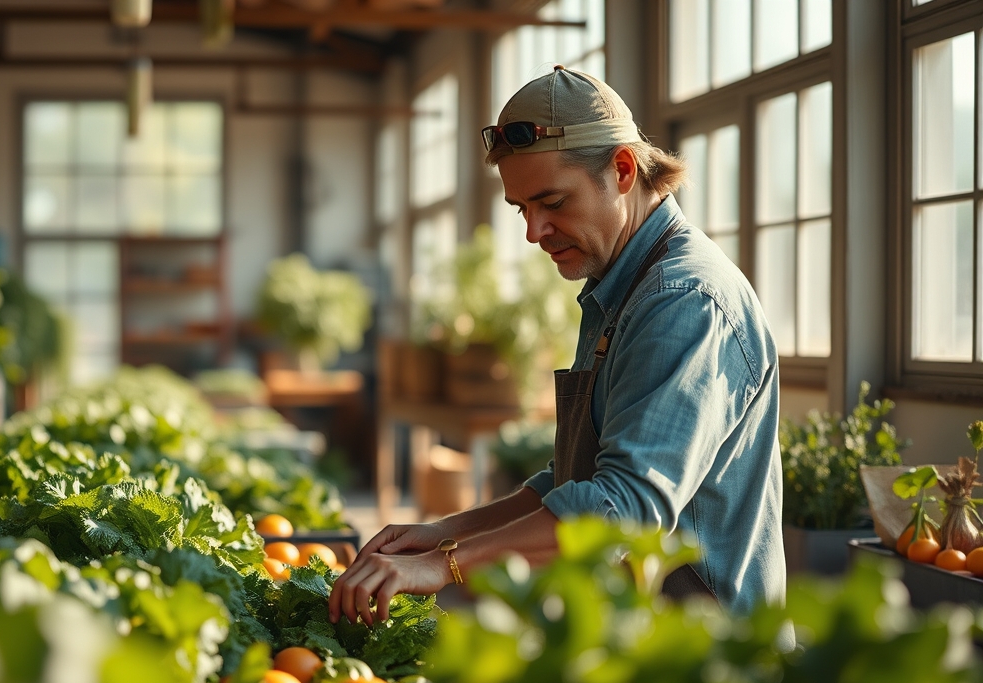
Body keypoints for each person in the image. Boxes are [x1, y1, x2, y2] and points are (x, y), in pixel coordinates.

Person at [328, 66, 784, 626]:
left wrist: (446, 565)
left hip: (705, 663)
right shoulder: (620, 285)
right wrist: (441, 532)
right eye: (523, 208)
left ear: (621, 169)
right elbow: (575, 483)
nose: (533, 231)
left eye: (553, 202)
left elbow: (622, 510)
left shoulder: (683, 300)